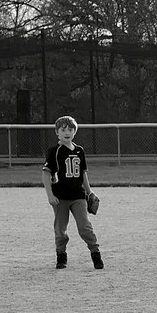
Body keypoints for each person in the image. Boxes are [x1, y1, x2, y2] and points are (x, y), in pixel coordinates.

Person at [42, 115, 104, 271]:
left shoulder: (79, 150)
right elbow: (46, 174)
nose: (67, 132)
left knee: (85, 227)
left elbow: (83, 174)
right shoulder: (54, 151)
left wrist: (89, 192)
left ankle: (95, 253)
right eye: (63, 130)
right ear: (57, 132)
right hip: (60, 197)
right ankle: (61, 255)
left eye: (70, 129)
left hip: (78, 195)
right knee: (60, 230)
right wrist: (50, 194)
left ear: (75, 131)